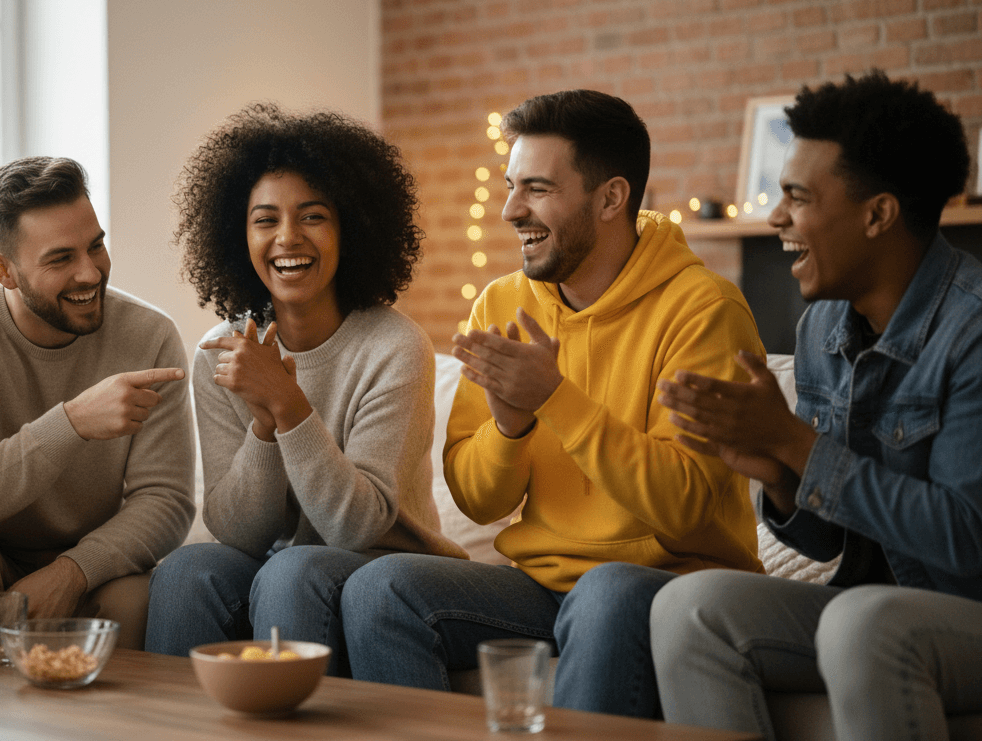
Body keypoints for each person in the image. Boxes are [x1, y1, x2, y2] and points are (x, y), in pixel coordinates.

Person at [338, 89, 766, 716]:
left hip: (666, 584)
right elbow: (480, 502)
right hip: (537, 586)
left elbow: (686, 507)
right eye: (512, 186)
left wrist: (556, 401)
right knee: (381, 588)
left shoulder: (703, 311)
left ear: (611, 197)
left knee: (607, 591)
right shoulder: (503, 302)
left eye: (536, 188)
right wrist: (509, 427)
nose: (512, 210)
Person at [652, 72, 982, 740]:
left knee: (864, 623)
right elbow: (830, 541)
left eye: (797, 198)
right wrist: (775, 471)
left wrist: (799, 445)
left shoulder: (972, 330)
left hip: (960, 610)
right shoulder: (822, 328)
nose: (776, 217)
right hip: (865, 608)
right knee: (690, 607)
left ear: (877, 214)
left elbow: (966, 540)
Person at [144, 103, 466, 675]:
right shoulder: (224, 353)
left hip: (390, 563)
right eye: (265, 220)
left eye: (313, 216)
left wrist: (287, 404)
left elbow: (356, 526)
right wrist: (263, 423)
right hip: (284, 568)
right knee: (185, 572)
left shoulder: (394, 346)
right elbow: (239, 532)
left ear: (350, 228)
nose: (287, 238)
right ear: (238, 235)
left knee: (295, 570)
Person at [0, 156, 194, 656]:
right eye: (60, 259)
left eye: (96, 246)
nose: (89, 272)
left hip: (90, 558)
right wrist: (74, 422)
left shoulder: (149, 335)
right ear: (5, 271)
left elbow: (166, 500)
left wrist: (72, 572)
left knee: (138, 596)